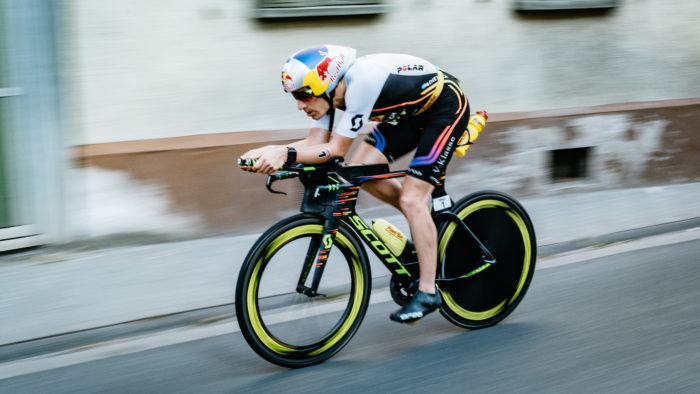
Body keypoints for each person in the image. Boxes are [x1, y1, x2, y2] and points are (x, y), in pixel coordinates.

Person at [240, 45, 470, 324]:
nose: (300, 105)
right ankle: (424, 232)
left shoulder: (361, 83)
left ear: (323, 84)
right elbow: (316, 145)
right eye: (295, 97)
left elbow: (335, 149)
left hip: (444, 109)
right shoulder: (328, 93)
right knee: (359, 172)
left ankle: (427, 291)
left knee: (412, 198)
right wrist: (269, 150)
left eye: (303, 95)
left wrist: (283, 154)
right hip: (407, 117)